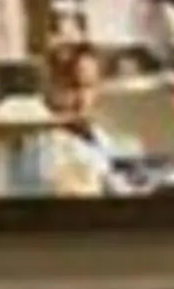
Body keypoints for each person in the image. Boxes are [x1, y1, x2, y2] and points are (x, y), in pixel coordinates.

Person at [38, 41, 121, 197]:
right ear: (51, 87)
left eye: (89, 86)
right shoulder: (40, 144)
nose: (82, 99)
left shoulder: (99, 136)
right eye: (72, 87)